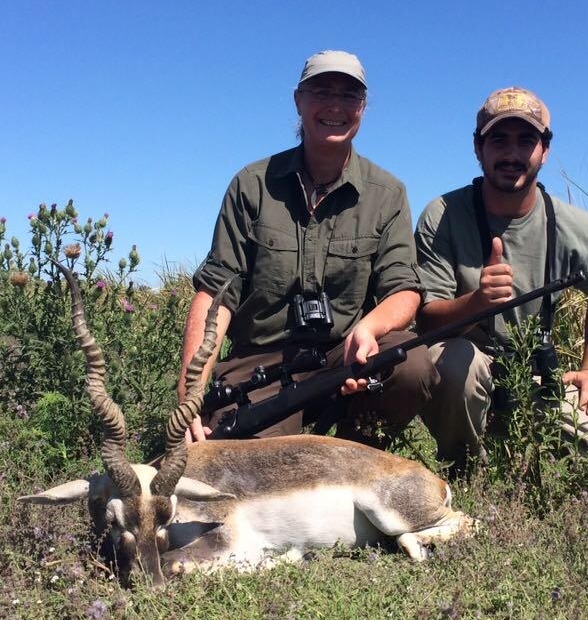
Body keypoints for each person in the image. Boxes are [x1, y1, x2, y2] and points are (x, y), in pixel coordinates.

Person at [179, 50, 436, 442]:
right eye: (321, 92)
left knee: (410, 363)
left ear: (363, 107)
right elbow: (215, 295)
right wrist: (190, 390)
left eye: (349, 96)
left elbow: (404, 290)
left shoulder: (388, 193)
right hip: (263, 361)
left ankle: (359, 451)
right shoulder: (252, 185)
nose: (335, 106)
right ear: (298, 100)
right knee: (254, 465)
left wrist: (368, 329)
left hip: (344, 355)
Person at [414, 87, 588, 486]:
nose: (512, 153)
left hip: (538, 379)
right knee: (459, 359)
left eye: (526, 140)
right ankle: (459, 477)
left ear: (544, 150)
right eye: (498, 139)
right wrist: (478, 302)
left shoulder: (576, 226)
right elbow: (426, 324)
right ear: (478, 149)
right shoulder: (441, 215)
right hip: (465, 375)